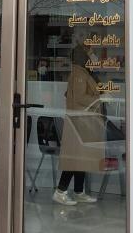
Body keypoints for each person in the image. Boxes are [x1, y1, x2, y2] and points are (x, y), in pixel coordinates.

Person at [53, 44, 102, 206]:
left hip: (81, 121)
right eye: (91, 54)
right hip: (79, 121)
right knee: (74, 158)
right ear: (83, 57)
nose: (94, 58)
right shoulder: (79, 74)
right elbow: (80, 98)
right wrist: (99, 99)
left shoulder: (82, 73)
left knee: (80, 157)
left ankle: (79, 191)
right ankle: (60, 191)